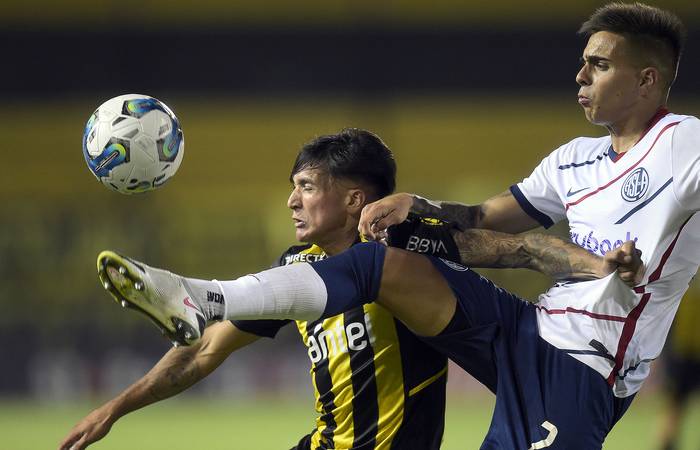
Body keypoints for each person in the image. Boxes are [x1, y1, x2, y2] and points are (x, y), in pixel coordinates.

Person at [89, 2, 690, 448]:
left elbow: (523, 249)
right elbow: (480, 219)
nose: (581, 77)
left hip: (585, 367)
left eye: (600, 65)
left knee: (463, 255)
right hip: (525, 330)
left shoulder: (683, 144)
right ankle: (205, 296)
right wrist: (419, 204)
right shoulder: (572, 158)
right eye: (582, 64)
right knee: (391, 255)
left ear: (646, 80)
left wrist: (608, 266)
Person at [60, 128, 456, 450]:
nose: (291, 201)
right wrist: (113, 410)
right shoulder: (298, 267)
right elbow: (204, 349)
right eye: (293, 187)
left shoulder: (409, 256)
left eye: (306, 187)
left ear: (355, 200)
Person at [656, 280, 700, 450]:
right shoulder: (688, 268)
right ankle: (667, 444)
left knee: (675, 404)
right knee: (674, 404)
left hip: (689, 350)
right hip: (680, 351)